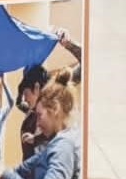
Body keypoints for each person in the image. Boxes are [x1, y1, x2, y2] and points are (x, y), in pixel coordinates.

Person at [17, 29, 83, 159]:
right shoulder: (31, 114)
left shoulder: (58, 91)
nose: (25, 99)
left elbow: (88, 63)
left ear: (36, 87)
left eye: (26, 93)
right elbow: (18, 103)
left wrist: (69, 44)